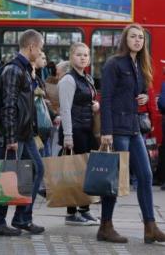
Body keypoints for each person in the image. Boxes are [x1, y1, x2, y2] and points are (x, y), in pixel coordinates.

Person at [100, 23, 165, 244]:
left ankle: (150, 227)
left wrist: (145, 97)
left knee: (146, 176)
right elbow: (105, 98)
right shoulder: (114, 64)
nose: (138, 40)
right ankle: (105, 226)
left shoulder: (140, 64)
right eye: (133, 37)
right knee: (114, 179)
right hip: (117, 129)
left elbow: (139, 92)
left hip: (134, 128)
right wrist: (106, 131)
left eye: (141, 38)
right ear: (125, 40)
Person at [0, 29, 45, 236]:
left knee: (37, 170)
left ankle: (22, 218)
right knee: (6, 175)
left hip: (25, 134)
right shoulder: (13, 70)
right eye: (40, 49)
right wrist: (10, 138)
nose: (40, 53)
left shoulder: (26, 69)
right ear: (32, 47)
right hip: (12, 134)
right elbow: (9, 106)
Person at [58, 42, 101, 226]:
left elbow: (89, 102)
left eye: (86, 55)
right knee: (73, 173)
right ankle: (71, 213)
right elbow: (65, 109)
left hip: (86, 129)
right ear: (71, 57)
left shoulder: (87, 78)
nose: (83, 58)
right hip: (74, 131)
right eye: (79, 54)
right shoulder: (68, 80)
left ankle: (84, 209)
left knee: (85, 173)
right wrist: (68, 136)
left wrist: (96, 106)